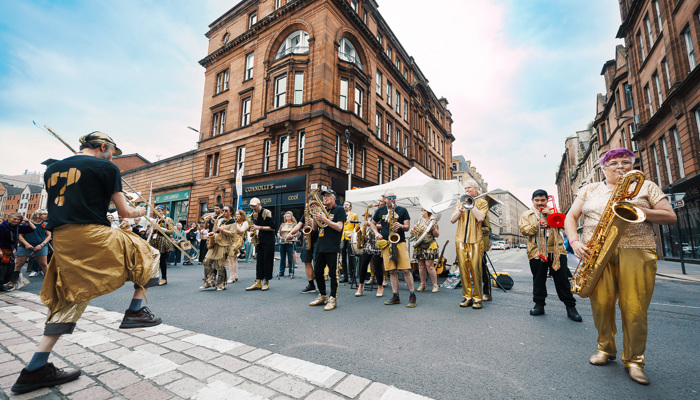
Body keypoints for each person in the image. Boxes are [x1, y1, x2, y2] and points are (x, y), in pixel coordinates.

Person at [10, 132, 161, 395]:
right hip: (92, 234)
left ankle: (34, 369)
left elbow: (78, 200)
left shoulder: (52, 169)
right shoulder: (106, 167)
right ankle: (135, 312)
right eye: (113, 151)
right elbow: (124, 212)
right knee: (150, 254)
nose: (114, 156)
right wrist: (142, 211)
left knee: (72, 294)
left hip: (64, 238)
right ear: (103, 147)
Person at [565, 148, 676, 385]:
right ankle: (605, 348)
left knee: (635, 308)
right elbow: (571, 217)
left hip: (637, 250)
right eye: (613, 162)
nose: (620, 166)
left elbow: (670, 216)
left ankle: (635, 360)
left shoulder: (647, 186)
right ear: (603, 169)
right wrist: (574, 241)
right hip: (596, 252)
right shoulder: (589, 188)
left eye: (626, 162)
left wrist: (638, 210)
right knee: (601, 304)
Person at [519, 189, 581, 322]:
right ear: (532, 201)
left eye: (542, 200)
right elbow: (524, 230)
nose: (540, 203)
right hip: (537, 251)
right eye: (537, 200)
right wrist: (537, 225)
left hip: (556, 250)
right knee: (539, 280)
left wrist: (552, 214)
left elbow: (565, 226)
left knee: (562, 280)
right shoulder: (527, 214)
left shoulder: (554, 211)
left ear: (547, 200)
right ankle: (539, 304)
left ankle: (570, 307)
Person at [371, 190, 416, 307]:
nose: (391, 199)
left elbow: (407, 227)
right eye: (389, 197)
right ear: (385, 199)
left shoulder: (402, 210)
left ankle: (412, 294)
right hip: (386, 243)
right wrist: (376, 233)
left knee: (406, 270)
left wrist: (401, 226)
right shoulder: (380, 210)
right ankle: (395, 296)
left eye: (394, 197)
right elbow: (372, 223)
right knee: (391, 271)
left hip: (399, 242)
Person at [450, 179, 487, 309]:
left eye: (469, 188)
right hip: (461, 239)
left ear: (476, 189)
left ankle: (478, 298)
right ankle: (467, 297)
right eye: (465, 189)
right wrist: (461, 208)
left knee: (476, 270)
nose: (466, 191)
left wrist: (472, 205)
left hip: (475, 239)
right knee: (463, 269)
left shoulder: (482, 202)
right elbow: (452, 220)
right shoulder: (460, 202)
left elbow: (480, 218)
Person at [308, 188, 345, 310]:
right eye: (324, 196)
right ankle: (322, 295)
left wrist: (325, 219)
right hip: (320, 246)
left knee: (333, 274)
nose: (325, 198)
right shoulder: (321, 210)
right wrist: (314, 217)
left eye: (328, 195)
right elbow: (314, 229)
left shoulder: (339, 209)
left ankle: (332, 298)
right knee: (318, 272)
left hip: (332, 246)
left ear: (334, 197)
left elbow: (339, 227)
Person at [287, 196, 319, 294]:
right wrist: (290, 233)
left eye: (313, 202)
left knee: (317, 262)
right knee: (306, 261)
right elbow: (299, 225)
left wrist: (314, 220)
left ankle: (320, 284)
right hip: (307, 239)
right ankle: (311, 285)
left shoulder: (321, 212)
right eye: (310, 202)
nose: (311, 204)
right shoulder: (306, 213)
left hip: (318, 239)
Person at [201, 206, 236, 290]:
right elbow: (214, 230)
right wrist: (214, 223)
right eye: (223, 210)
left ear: (230, 212)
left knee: (220, 265)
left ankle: (221, 284)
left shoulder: (233, 222)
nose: (223, 212)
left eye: (226, 210)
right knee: (206, 261)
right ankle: (209, 282)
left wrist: (221, 229)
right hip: (215, 243)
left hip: (224, 245)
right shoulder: (220, 219)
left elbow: (233, 234)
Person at [355, 199, 384, 297]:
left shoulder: (386, 213)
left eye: (381, 201)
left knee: (377, 266)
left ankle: (380, 286)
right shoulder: (375, 212)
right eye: (379, 201)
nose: (378, 202)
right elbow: (371, 224)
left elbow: (385, 226)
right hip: (370, 241)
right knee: (363, 264)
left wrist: (370, 224)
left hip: (379, 241)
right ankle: (360, 286)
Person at [246, 197, 276, 291]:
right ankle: (258, 281)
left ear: (259, 204)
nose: (253, 208)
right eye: (252, 207)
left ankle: (266, 281)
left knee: (267, 261)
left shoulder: (267, 212)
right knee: (259, 261)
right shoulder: (254, 214)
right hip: (260, 239)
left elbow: (272, 227)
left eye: (254, 206)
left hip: (269, 239)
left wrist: (259, 227)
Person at [1, 213, 36, 289]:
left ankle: (2, 284)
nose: (16, 221)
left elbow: (33, 228)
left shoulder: (17, 227)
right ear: (9, 218)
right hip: (2, 250)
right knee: (2, 269)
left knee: (9, 269)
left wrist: (27, 221)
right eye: (14, 219)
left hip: (11, 251)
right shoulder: (3, 226)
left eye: (18, 220)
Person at [14, 210, 50, 278]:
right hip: (25, 246)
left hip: (41, 246)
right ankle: (13, 281)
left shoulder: (45, 224)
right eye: (44, 214)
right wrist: (26, 244)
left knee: (44, 264)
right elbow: (20, 235)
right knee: (18, 264)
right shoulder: (27, 223)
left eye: (46, 214)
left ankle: (50, 281)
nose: (46, 216)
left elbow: (49, 235)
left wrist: (41, 245)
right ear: (37, 215)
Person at [411, 208, 440, 293]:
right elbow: (413, 233)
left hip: (429, 244)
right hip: (419, 244)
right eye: (422, 210)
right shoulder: (418, 221)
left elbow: (437, 235)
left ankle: (435, 285)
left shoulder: (433, 221)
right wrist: (412, 232)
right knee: (420, 265)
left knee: (429, 265)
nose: (422, 212)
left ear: (429, 212)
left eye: (424, 210)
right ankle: (422, 284)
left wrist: (433, 228)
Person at [149, 205, 174, 285]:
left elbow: (171, 231)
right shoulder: (155, 220)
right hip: (155, 240)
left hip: (163, 241)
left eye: (159, 211)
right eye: (156, 211)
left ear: (163, 211)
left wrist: (160, 228)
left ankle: (164, 278)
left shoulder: (168, 219)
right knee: (153, 260)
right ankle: (153, 277)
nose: (158, 213)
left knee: (162, 261)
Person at [226, 210, 249, 283]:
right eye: (236, 214)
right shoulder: (235, 222)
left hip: (239, 240)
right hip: (232, 240)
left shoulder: (245, 223)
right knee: (234, 258)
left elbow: (241, 231)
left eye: (238, 214)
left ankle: (231, 277)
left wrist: (233, 224)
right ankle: (235, 275)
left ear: (242, 215)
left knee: (230, 257)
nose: (237, 216)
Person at [339, 201, 358, 283]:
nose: (345, 206)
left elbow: (357, 227)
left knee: (351, 257)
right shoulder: (341, 215)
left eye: (347, 205)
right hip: (342, 238)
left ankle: (352, 277)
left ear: (350, 207)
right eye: (344, 205)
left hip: (350, 238)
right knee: (343, 258)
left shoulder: (354, 215)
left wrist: (353, 234)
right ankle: (345, 276)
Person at [277, 211, 298, 278]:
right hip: (282, 242)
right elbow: (278, 232)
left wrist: (291, 236)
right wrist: (279, 236)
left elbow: (297, 233)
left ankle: (291, 272)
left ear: (291, 217)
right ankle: (281, 272)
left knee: (290, 258)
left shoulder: (294, 225)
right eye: (286, 216)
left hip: (290, 242)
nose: (287, 217)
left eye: (288, 216)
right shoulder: (282, 224)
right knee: (282, 258)